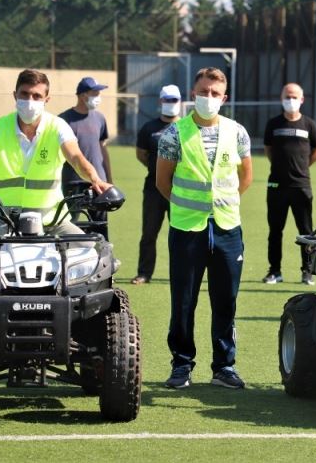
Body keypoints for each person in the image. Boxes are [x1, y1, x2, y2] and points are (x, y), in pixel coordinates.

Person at [156, 67, 252, 390]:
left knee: (226, 300)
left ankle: (224, 367)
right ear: (193, 93)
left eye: (214, 93)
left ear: (224, 98)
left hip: (227, 229)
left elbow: (245, 176)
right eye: (203, 91)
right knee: (183, 301)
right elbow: (162, 182)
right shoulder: (174, 134)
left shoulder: (237, 132)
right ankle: (181, 366)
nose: (208, 98)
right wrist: (187, 207)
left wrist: (223, 204)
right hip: (187, 229)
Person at [0, 69, 111, 238]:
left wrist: (95, 179)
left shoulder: (58, 126)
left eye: (37, 96)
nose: (30, 100)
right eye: (25, 94)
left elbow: (75, 157)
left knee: (89, 251)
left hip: (53, 221)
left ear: (47, 99)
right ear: (15, 95)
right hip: (1, 219)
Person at [261, 83, 316, 285]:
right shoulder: (273, 124)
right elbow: (268, 149)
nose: (291, 100)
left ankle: (307, 271)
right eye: (287, 96)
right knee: (275, 230)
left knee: (305, 231)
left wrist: (301, 168)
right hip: (277, 186)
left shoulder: (309, 124)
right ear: (281, 98)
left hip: (301, 186)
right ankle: (274, 271)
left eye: (295, 96)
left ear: (302, 100)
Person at [130, 85, 181, 285]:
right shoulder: (149, 128)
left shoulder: (185, 127)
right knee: (149, 233)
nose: (171, 104)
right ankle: (144, 272)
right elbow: (141, 154)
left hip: (179, 190)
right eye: (167, 100)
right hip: (153, 189)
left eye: (174, 100)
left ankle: (180, 272)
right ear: (160, 102)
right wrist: (160, 171)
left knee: (180, 234)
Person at [59, 77, 111, 238]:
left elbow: (103, 148)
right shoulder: (63, 120)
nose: (98, 97)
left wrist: (108, 177)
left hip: (97, 182)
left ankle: (104, 258)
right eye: (94, 93)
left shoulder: (100, 118)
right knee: (68, 224)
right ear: (82, 95)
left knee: (100, 225)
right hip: (72, 181)